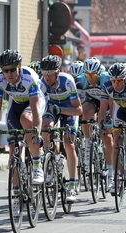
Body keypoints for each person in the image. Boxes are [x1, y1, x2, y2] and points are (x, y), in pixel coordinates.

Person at [0, 49, 45, 186]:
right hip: (16, 104)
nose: (8, 74)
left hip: (34, 103)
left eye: (12, 70)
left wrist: (36, 130)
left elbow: (36, 109)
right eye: (5, 70)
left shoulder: (30, 77)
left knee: (26, 119)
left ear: (19, 65)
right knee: (13, 151)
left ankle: (37, 164)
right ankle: (15, 192)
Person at [40, 55, 83, 203]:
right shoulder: (42, 84)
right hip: (53, 108)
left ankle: (72, 183)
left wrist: (61, 109)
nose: (46, 77)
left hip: (69, 110)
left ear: (57, 72)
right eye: (44, 73)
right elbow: (39, 106)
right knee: (45, 128)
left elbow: (79, 109)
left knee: (69, 144)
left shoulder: (68, 81)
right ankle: (51, 161)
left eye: (50, 73)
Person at [75, 57, 114, 189]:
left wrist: (108, 119)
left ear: (99, 72)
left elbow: (111, 103)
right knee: (85, 112)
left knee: (107, 137)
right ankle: (88, 143)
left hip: (107, 103)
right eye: (88, 75)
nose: (90, 78)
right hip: (91, 100)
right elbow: (78, 102)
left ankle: (110, 171)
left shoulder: (106, 79)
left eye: (93, 75)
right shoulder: (81, 80)